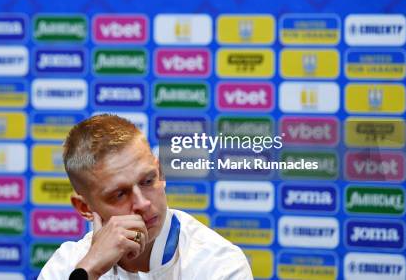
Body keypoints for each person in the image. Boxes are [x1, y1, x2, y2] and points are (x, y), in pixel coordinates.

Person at [39, 114, 253, 280]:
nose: (143, 203)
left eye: (148, 181)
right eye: (119, 194)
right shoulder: (68, 265)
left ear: (161, 172)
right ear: (85, 208)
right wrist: (90, 271)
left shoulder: (218, 263)